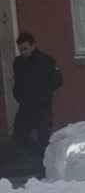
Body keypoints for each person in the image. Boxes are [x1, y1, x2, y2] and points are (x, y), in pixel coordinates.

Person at [12, 32, 63, 162]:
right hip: (26, 106)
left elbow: (58, 81)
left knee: (43, 137)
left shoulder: (47, 61)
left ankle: (46, 167)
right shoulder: (18, 63)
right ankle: (36, 159)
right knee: (19, 135)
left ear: (33, 46)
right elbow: (17, 82)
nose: (23, 52)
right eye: (20, 49)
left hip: (42, 107)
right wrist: (17, 94)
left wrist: (43, 92)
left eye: (25, 48)